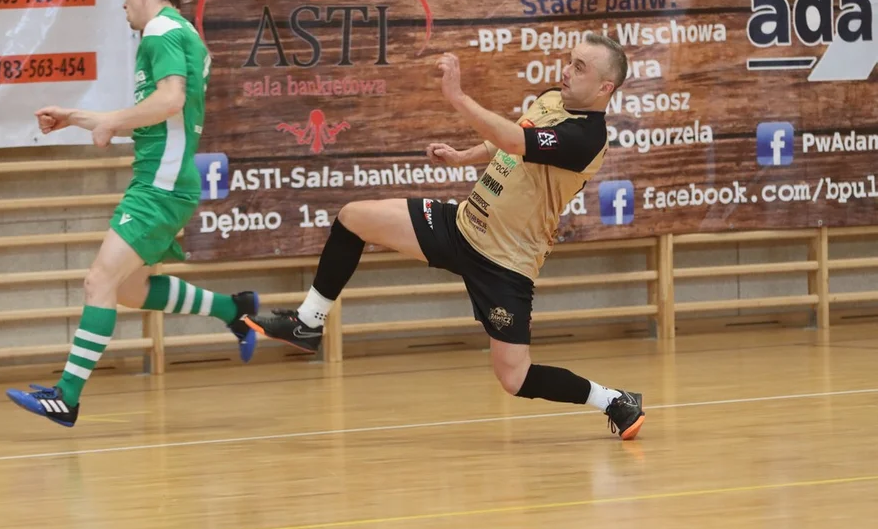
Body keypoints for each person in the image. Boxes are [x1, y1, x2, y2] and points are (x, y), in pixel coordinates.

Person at [245, 32, 646, 440]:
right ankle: (307, 322)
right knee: (353, 218)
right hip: (462, 226)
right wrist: (463, 156)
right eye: (569, 60)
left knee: (514, 378)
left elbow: (516, 140)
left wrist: (457, 97)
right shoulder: (551, 99)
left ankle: (612, 400)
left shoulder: (587, 138)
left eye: (579, 67)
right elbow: (506, 142)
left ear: (604, 87)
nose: (566, 71)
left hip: (505, 264)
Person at [6, 0, 259, 428]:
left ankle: (67, 397)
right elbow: (160, 120)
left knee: (98, 282)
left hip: (160, 186)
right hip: (165, 180)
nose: (123, 5)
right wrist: (82, 119)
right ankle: (234, 309)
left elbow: (169, 101)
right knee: (129, 289)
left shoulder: (160, 32)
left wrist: (105, 120)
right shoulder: (185, 35)